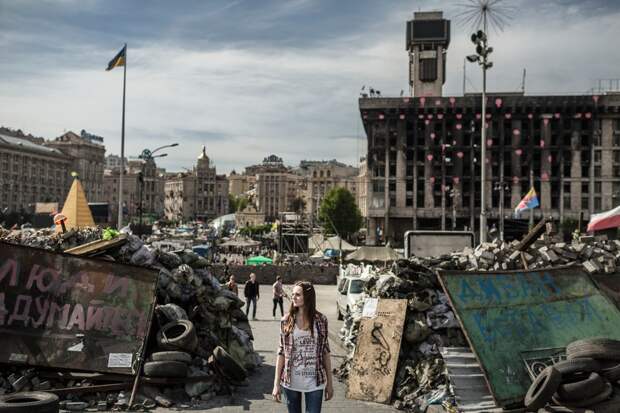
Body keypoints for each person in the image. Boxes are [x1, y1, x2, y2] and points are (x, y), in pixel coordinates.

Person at [272, 281, 334, 413]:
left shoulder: (321, 320)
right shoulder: (286, 320)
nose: (293, 297)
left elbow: (325, 352)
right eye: (293, 294)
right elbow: (281, 352)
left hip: (315, 383)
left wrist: (330, 383)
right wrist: (276, 384)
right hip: (291, 382)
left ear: (308, 297)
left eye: (298, 295)